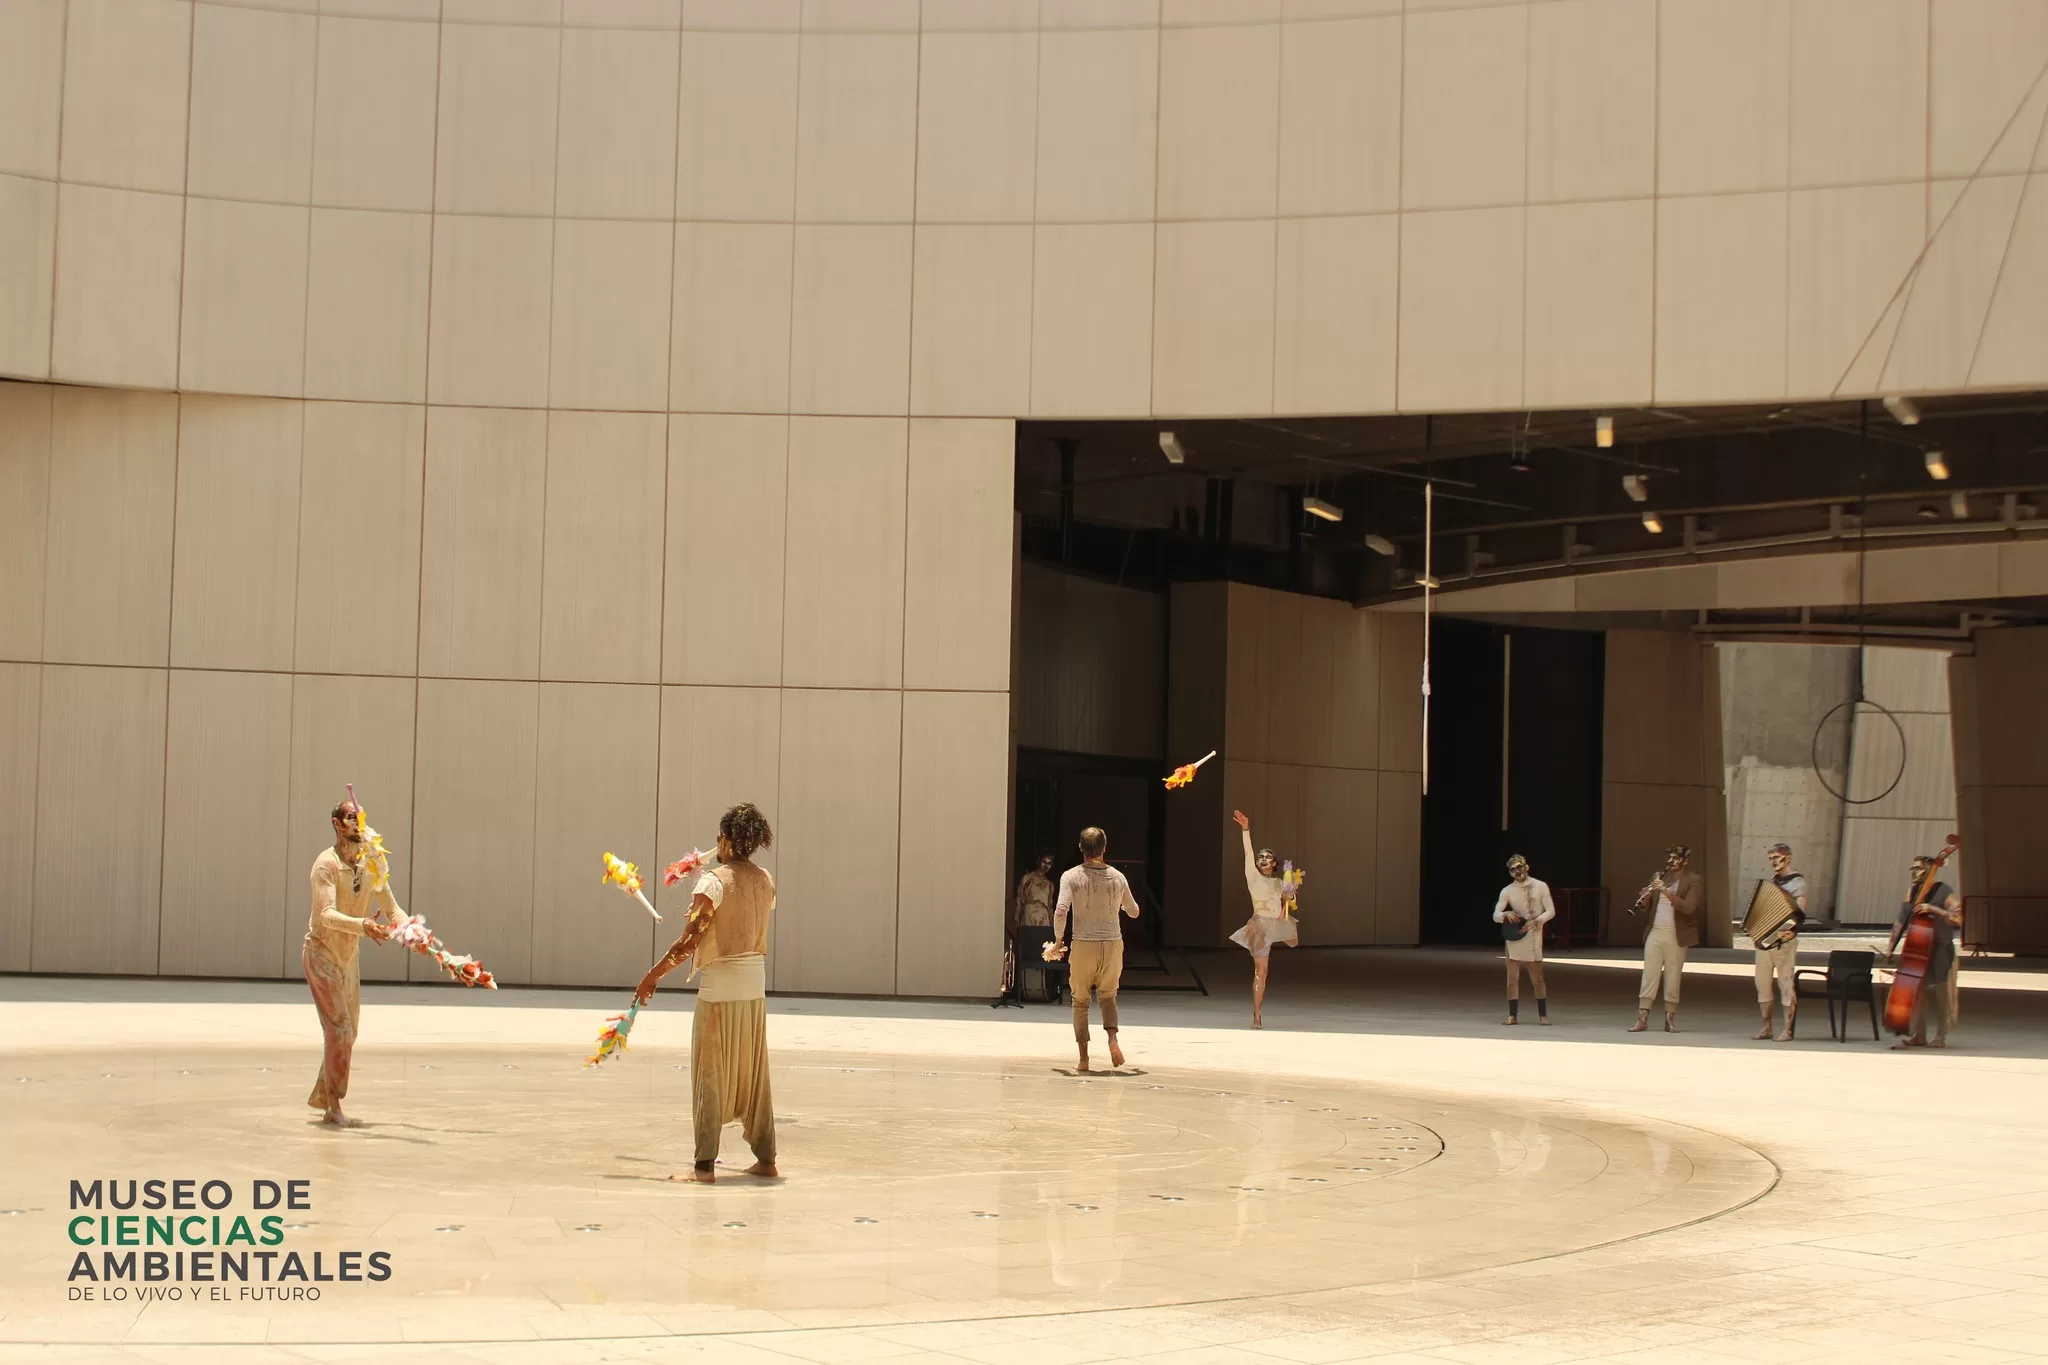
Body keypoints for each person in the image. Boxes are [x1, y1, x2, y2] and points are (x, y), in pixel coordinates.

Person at [635, 803, 779, 1182]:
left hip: (719, 991)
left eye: (720, 836)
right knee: (754, 1074)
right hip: (755, 992)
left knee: (710, 1074)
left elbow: (688, 943)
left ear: (727, 842)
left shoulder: (713, 883)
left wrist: (652, 976)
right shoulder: (766, 880)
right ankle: (766, 1159)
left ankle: (703, 1167)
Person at [303, 799, 396, 1126]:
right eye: (352, 818)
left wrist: (415, 933)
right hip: (321, 953)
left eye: (361, 818)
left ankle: (323, 1094)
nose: (359, 824)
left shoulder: (372, 863)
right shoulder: (325, 865)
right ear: (337, 825)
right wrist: (363, 926)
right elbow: (327, 915)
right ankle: (333, 1106)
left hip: (349, 956)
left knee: (348, 1032)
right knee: (340, 1029)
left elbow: (392, 908)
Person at [1047, 826, 1140, 1072]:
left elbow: (1060, 911)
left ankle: (1084, 1059)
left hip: (1083, 945)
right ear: (1104, 848)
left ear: (1080, 848)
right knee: (1108, 996)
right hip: (1112, 944)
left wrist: (1058, 941)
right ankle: (1112, 1039)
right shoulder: (1118, 877)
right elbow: (1134, 911)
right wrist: (1120, 906)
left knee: (1080, 1001)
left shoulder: (1070, 876)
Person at [1228, 810, 1298, 1028]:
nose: (1264, 859)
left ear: (1275, 863)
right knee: (1261, 971)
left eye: (1268, 857)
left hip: (1277, 923)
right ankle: (1257, 1014)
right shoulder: (1253, 877)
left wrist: (1290, 892)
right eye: (1261, 857)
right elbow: (1248, 852)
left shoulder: (1278, 883)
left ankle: (1257, 1012)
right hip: (1260, 925)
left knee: (1291, 940)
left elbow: (1289, 902)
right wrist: (1245, 829)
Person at [1885, 855, 1962, 1050]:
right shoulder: (1911, 893)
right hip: (1917, 947)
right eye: (1912, 869)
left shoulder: (1944, 891)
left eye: (1918, 869)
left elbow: (1958, 917)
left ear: (1929, 871)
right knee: (1917, 992)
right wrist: (1891, 947)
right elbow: (1900, 921)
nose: (1913, 872)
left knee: (1941, 993)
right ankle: (1919, 1035)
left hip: (1940, 947)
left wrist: (1933, 909)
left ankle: (1941, 1035)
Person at [1629, 845, 1702, 1034]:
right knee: (1649, 974)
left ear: (1685, 861)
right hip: (1655, 931)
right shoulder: (1658, 876)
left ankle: (1669, 1019)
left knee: (1673, 976)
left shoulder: (1693, 880)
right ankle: (1642, 1018)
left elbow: (1689, 908)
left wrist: (1666, 892)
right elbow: (1649, 907)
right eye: (1670, 857)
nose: (1671, 862)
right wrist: (1645, 899)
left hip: (1676, 934)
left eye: (1676, 858)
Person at [1753, 843, 1807, 1041]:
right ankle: (1766, 1026)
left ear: (1788, 858)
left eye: (1776, 857)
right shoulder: (1772, 883)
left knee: (1785, 983)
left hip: (1784, 942)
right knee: (1762, 983)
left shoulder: (1797, 883)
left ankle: (1787, 1029)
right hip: (1765, 940)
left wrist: (1790, 930)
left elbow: (1799, 914)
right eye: (1770, 858)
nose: (1773, 861)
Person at [1492, 854, 1555, 1026]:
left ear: (1526, 867)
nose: (1517, 871)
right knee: (1512, 979)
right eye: (1513, 869)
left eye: (1519, 867)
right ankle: (1512, 1016)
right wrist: (1505, 914)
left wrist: (1537, 921)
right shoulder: (1507, 891)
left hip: (1533, 936)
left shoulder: (1540, 886)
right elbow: (1495, 915)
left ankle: (1543, 1016)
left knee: (1537, 979)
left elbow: (1550, 911)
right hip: (1514, 937)